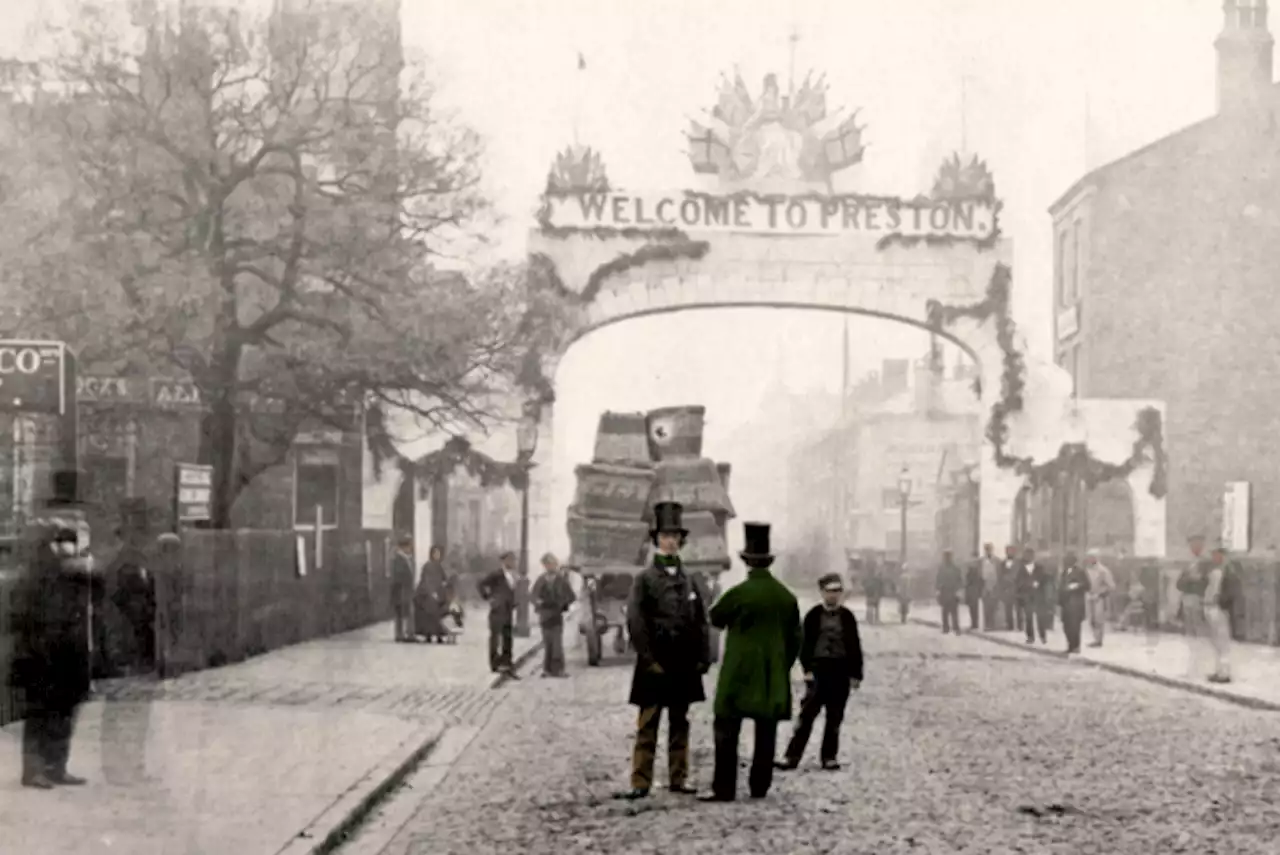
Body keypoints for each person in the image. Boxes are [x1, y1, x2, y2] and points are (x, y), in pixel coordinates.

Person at [615, 502, 711, 801]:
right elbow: (635, 622)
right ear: (656, 540)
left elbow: (701, 621)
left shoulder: (691, 579)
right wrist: (648, 659)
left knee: (680, 724)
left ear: (681, 541)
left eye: (675, 536)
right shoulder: (644, 580)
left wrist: (702, 658)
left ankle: (679, 777)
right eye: (665, 536)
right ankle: (640, 780)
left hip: (684, 665)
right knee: (648, 725)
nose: (670, 541)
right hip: (654, 665)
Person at [11, 472, 100, 788]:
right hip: (43, 637)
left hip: (71, 635)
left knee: (67, 701)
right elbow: (32, 586)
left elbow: (92, 581)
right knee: (42, 703)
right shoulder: (40, 541)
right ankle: (34, 768)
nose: (77, 519)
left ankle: (56, 764)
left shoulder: (77, 542)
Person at [700, 522, 801, 803]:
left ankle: (725, 788)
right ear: (769, 561)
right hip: (771, 674)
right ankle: (760, 786)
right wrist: (781, 664)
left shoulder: (738, 594)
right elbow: (796, 639)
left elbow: (715, 618)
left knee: (726, 728)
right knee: (766, 730)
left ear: (746, 562)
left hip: (738, 672)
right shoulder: (786, 597)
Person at [776, 573, 863, 772]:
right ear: (822, 592)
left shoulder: (847, 617)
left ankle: (829, 757)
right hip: (819, 671)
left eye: (838, 591)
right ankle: (791, 756)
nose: (834, 595)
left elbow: (854, 645)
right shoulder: (813, 615)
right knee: (807, 716)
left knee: (834, 717)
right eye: (830, 591)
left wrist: (856, 674)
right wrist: (807, 669)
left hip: (840, 670)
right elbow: (804, 644)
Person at [531, 552, 576, 677]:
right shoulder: (540, 580)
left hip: (556, 614)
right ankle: (547, 669)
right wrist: (537, 603)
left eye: (552, 564)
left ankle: (559, 669)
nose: (550, 566)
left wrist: (563, 604)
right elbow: (533, 595)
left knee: (557, 643)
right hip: (545, 615)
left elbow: (571, 596)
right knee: (548, 643)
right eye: (547, 564)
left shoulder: (561, 580)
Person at [478, 551, 520, 677]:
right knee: (495, 637)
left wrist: (515, 602)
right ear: (504, 561)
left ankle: (507, 662)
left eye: (513, 560)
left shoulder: (514, 576)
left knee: (507, 636)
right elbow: (481, 584)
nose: (512, 562)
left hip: (508, 610)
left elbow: (514, 591)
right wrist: (488, 597)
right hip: (497, 610)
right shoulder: (496, 574)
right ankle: (495, 663)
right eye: (510, 560)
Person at [1177, 535, 1211, 678]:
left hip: (1199, 599)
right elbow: (1179, 584)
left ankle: (1201, 667)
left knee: (1200, 633)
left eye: (1196, 545)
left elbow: (1208, 582)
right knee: (1190, 634)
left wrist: (1196, 581)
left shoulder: (1206, 563)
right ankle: (1192, 667)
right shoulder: (1189, 564)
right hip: (1187, 599)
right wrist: (1188, 579)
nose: (1194, 548)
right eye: (1192, 545)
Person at [1202, 546, 1234, 684]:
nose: (1214, 557)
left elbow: (1231, 591)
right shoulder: (1214, 570)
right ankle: (1218, 670)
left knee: (1222, 642)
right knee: (1216, 642)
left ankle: (1224, 673)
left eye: (1217, 554)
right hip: (1210, 606)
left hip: (1219, 608)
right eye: (1213, 555)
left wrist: (1222, 604)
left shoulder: (1228, 571)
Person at [413, 545, 455, 643]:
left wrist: (445, 584)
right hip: (428, 594)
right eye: (435, 554)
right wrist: (431, 592)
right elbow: (426, 580)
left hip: (439, 593)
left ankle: (439, 635)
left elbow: (444, 579)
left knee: (439, 614)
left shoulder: (439, 566)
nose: (437, 556)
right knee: (430, 613)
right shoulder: (427, 566)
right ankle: (429, 635)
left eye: (438, 554)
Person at [1057, 552, 1091, 654]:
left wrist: (1076, 586)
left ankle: (1076, 647)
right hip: (1066, 604)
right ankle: (1070, 645)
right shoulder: (1064, 572)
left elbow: (1088, 585)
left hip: (1076, 604)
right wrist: (1059, 601)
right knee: (1066, 626)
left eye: (1068, 560)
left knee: (1075, 626)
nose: (1066, 562)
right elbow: (1061, 587)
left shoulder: (1080, 572)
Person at [1084, 549, 1116, 648]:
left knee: (1098, 619)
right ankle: (1095, 638)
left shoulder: (1103, 571)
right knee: (1091, 619)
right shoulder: (1087, 570)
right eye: (1089, 557)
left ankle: (1098, 640)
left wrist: (1102, 594)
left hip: (1100, 598)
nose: (1090, 559)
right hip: (1089, 596)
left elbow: (1111, 586)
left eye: (1092, 557)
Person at [1016, 547, 1046, 645]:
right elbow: (1018, 581)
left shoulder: (1040, 567)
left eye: (1030, 556)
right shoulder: (1021, 568)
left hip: (1038, 596)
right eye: (1026, 556)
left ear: (1033, 557)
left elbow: (1044, 579)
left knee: (1040, 617)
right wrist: (1028, 584)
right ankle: (1030, 636)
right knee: (1028, 617)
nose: (1028, 558)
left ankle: (1043, 636)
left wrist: (1038, 583)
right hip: (1026, 596)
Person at [390, 534, 415, 643]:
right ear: (404, 546)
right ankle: (406, 634)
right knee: (405, 613)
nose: (411, 548)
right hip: (402, 591)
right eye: (410, 545)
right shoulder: (399, 559)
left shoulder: (404, 559)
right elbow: (399, 577)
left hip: (403, 591)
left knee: (402, 613)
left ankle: (402, 634)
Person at [935, 550, 962, 634]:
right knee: (945, 611)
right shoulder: (941, 568)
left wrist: (959, 590)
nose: (947, 558)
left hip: (953, 591)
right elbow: (938, 579)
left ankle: (956, 627)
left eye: (949, 556)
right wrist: (938, 590)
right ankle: (945, 627)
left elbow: (959, 580)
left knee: (954, 611)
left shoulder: (955, 568)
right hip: (944, 591)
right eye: (946, 556)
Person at [978, 543, 1000, 630]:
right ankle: (987, 625)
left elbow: (1000, 574)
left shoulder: (997, 561)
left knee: (993, 606)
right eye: (986, 549)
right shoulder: (981, 561)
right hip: (985, 586)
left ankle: (993, 624)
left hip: (994, 586)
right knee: (986, 607)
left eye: (989, 549)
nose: (988, 551)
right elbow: (979, 575)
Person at [1000, 545, 1021, 632]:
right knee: (1008, 608)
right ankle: (1010, 625)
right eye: (1008, 551)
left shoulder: (1019, 563)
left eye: (1011, 551)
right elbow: (1000, 575)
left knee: (1018, 608)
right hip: (1007, 589)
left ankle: (1020, 625)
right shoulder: (1002, 563)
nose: (1010, 553)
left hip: (1017, 588)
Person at [963, 553, 985, 631]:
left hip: (974, 592)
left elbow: (980, 582)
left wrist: (979, 591)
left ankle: (975, 624)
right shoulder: (970, 571)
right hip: (970, 591)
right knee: (972, 608)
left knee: (974, 608)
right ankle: (973, 623)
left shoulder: (977, 572)